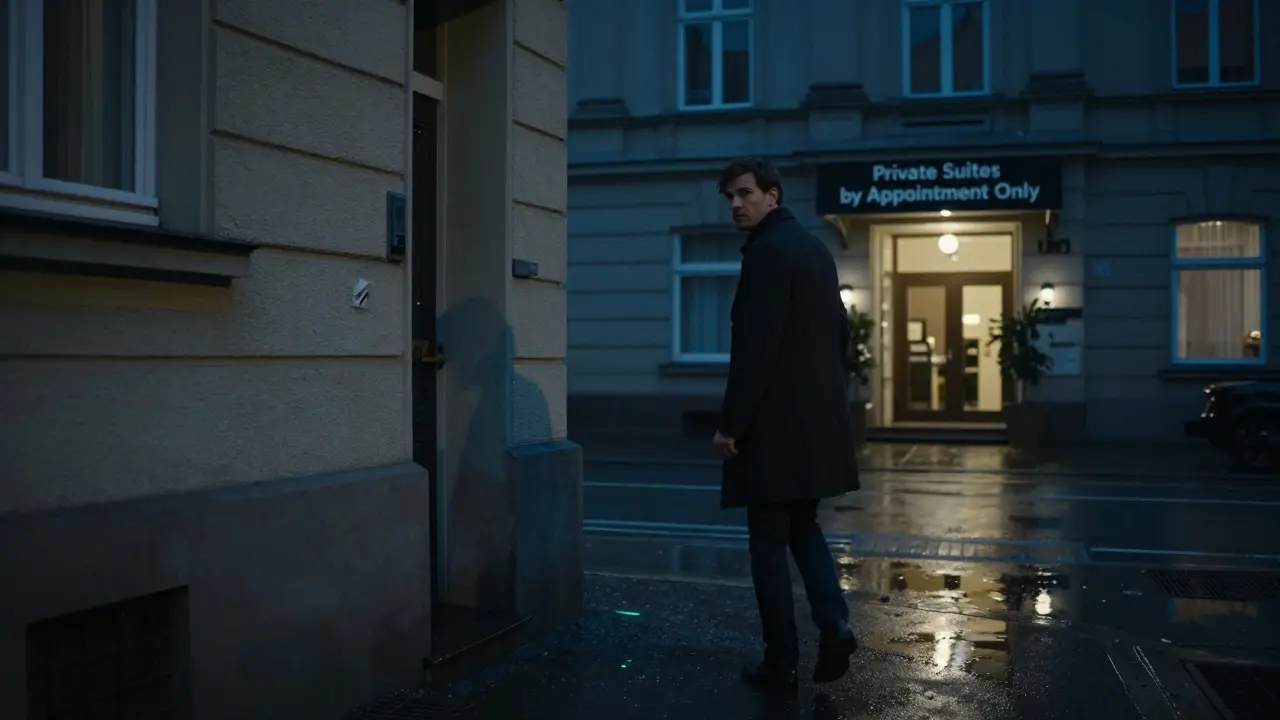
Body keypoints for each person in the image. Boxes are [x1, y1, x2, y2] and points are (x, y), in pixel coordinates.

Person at [711, 158, 860, 694]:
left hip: (774, 431)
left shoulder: (768, 255)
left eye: (745, 193)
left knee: (768, 543)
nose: (735, 204)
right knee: (803, 528)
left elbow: (756, 351)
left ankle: (781, 660)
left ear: (772, 195)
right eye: (729, 195)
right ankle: (834, 621)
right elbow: (841, 334)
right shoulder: (814, 249)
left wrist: (731, 427)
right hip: (817, 427)